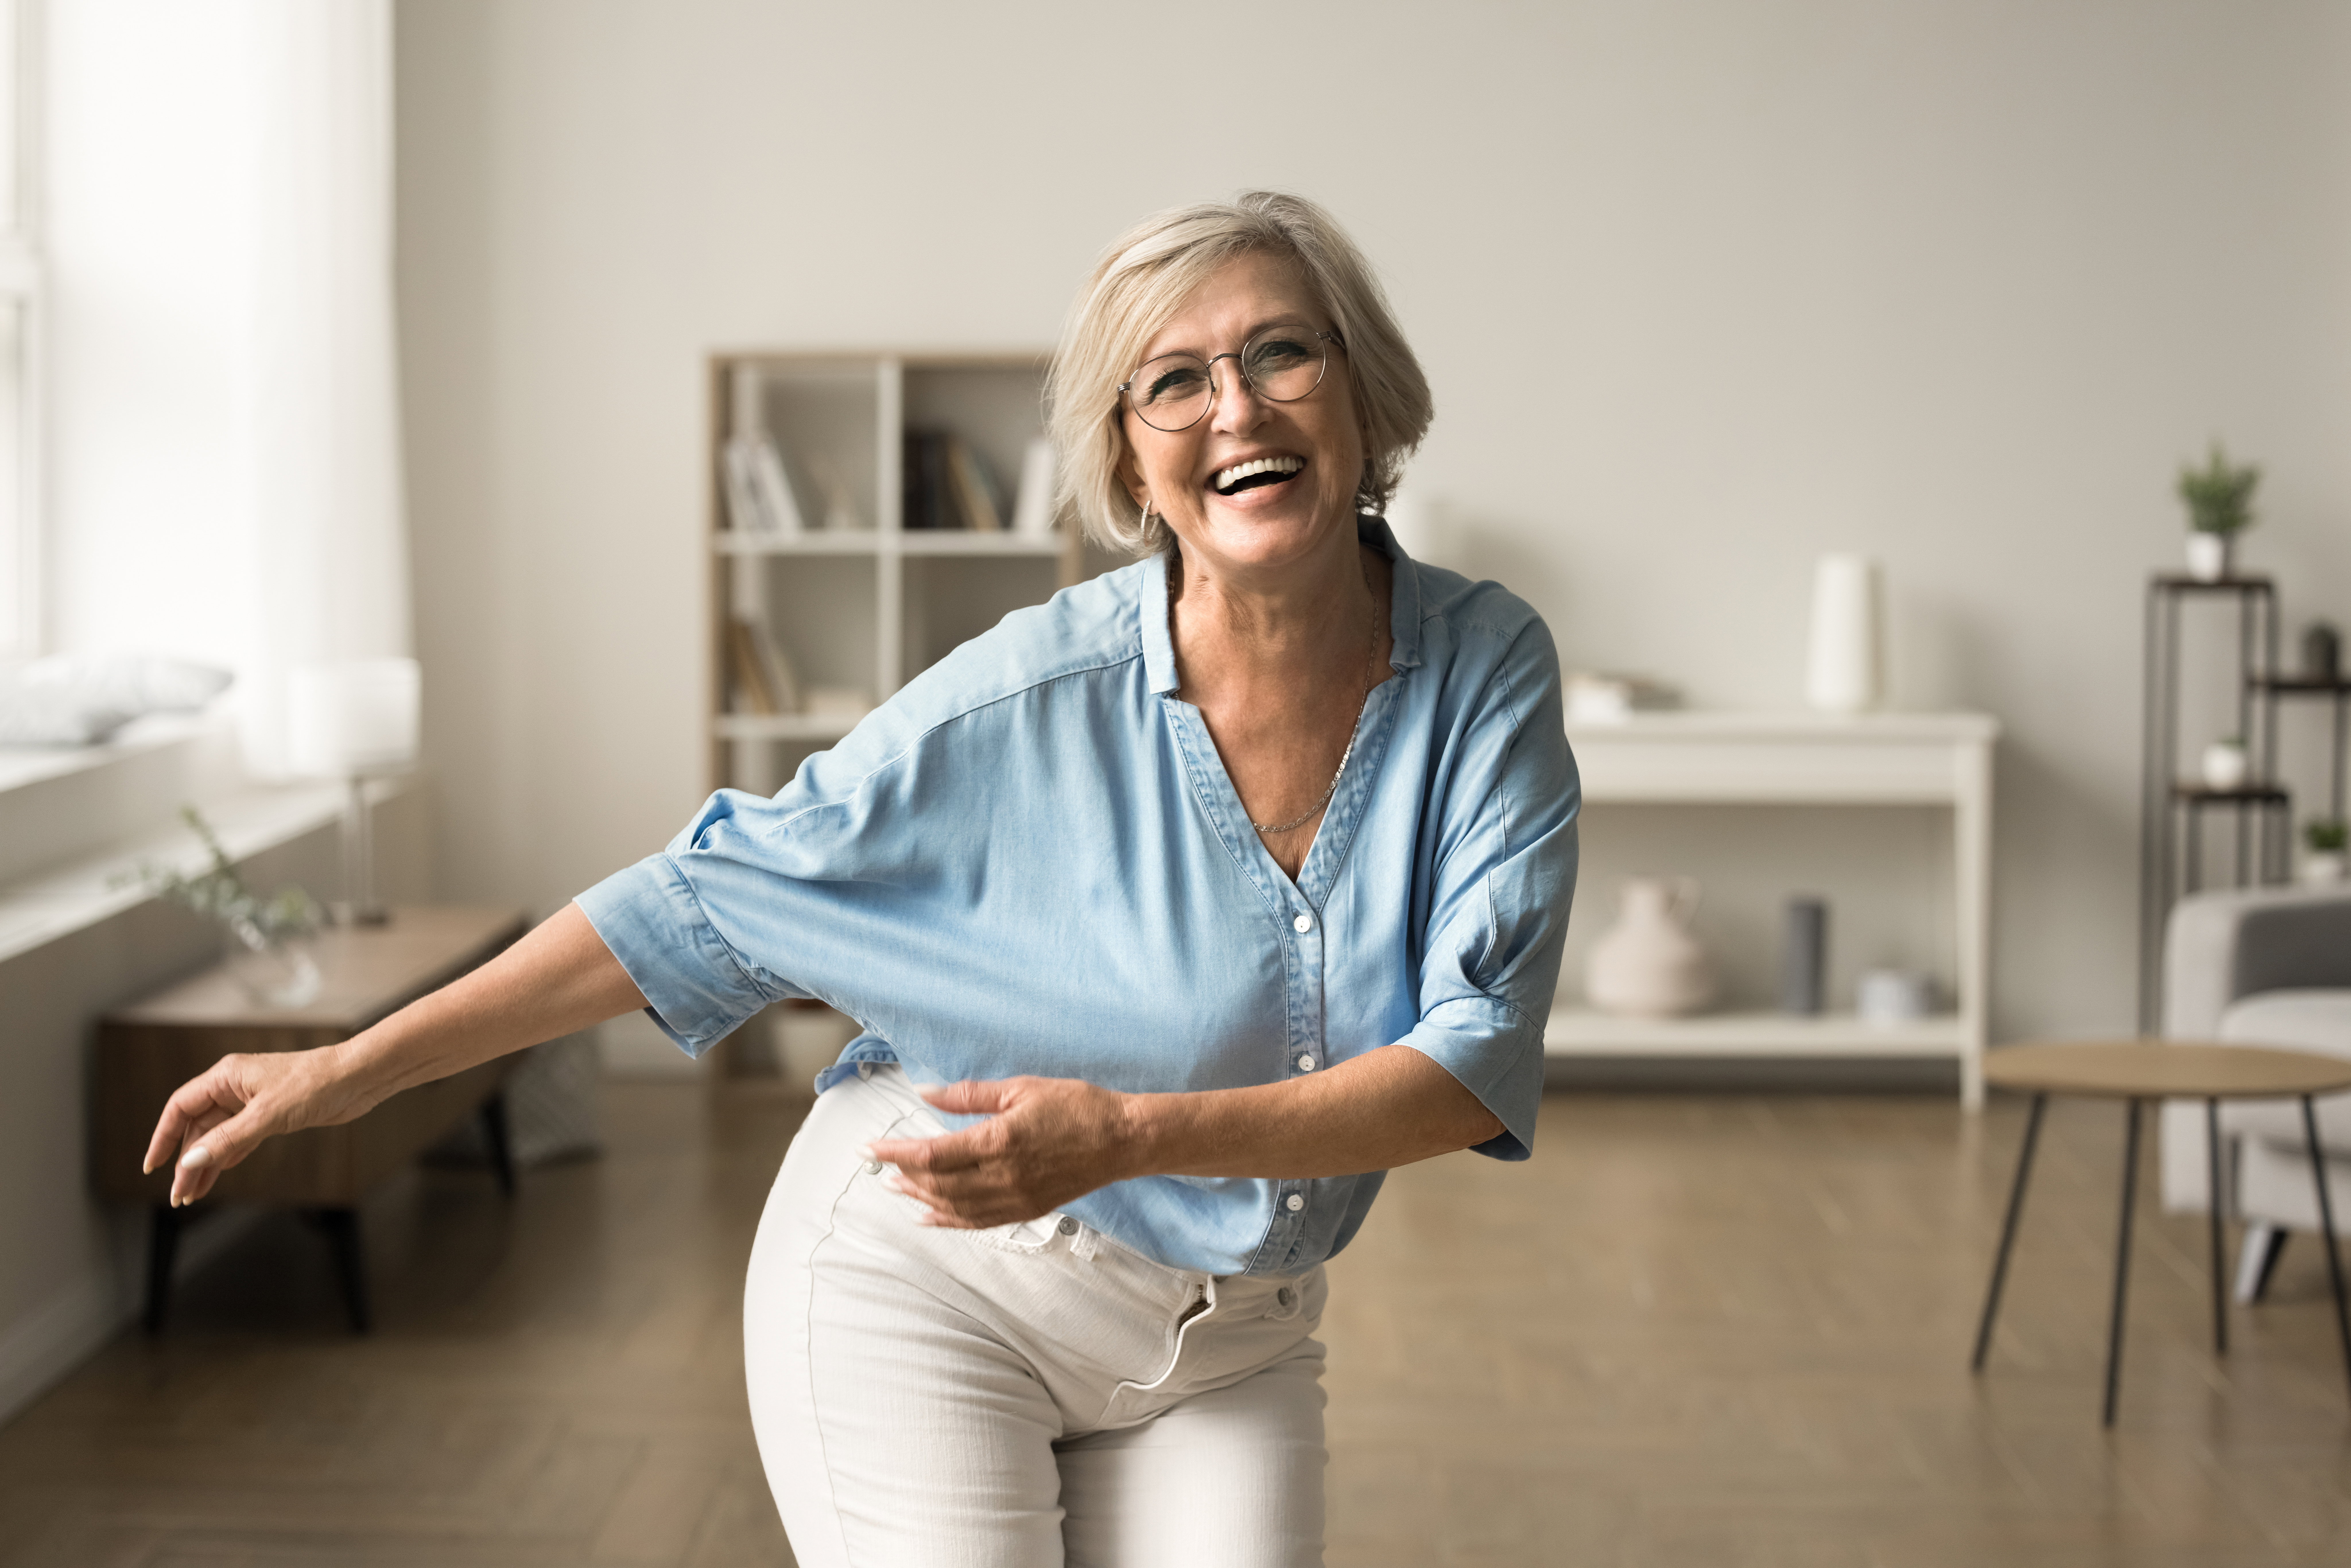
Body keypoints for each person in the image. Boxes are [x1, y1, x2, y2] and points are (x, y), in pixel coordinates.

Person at [145, 191, 1579, 1567]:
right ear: (1131, 459)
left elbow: (1468, 1063)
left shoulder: (1482, 670)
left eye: (1281, 350)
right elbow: (696, 901)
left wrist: (1128, 1135)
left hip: (1232, 1338)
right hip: (934, 1281)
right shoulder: (1020, 701)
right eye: (1173, 382)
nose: (1238, 409)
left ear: (1359, 387)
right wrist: (341, 1074)